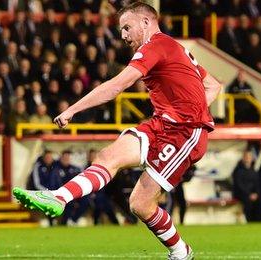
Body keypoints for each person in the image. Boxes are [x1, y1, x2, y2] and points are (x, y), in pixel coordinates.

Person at [13, 2, 222, 260]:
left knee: (140, 203)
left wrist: (71, 110)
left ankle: (180, 253)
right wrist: (193, 105)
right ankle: (59, 197)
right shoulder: (173, 47)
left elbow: (116, 86)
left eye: (126, 27)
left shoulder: (155, 45)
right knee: (108, 160)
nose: (122, 35)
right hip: (162, 124)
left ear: (146, 22)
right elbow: (212, 85)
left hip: (184, 133)